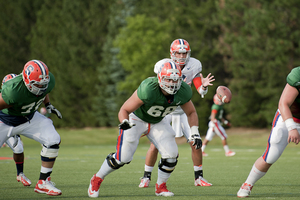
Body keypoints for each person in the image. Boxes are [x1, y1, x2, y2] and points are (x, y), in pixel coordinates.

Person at [88, 61, 202, 197]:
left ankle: (160, 187)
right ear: (160, 78)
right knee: (122, 158)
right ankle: (97, 178)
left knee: (171, 155)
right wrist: (124, 121)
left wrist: (194, 133)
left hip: (158, 121)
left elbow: (191, 113)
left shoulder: (183, 91)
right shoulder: (149, 88)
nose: (172, 83)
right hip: (137, 120)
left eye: (175, 79)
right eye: (169, 79)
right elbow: (124, 109)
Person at [139, 38, 214, 188]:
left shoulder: (194, 65)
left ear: (189, 53)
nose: (181, 56)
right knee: (154, 145)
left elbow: (200, 90)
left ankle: (198, 178)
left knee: (196, 142)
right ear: (172, 53)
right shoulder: (163, 65)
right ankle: (146, 176)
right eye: (178, 53)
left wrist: (204, 87)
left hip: (183, 110)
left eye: (184, 53)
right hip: (166, 109)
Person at [0, 60, 63, 196]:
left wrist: (48, 105)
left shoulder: (48, 80)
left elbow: (43, 91)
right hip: (5, 121)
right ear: (26, 80)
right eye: (37, 84)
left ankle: (43, 182)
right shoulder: (13, 90)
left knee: (53, 139)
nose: (40, 87)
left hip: (29, 118)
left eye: (43, 84)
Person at [237, 66, 300, 198]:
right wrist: (291, 127)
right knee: (271, 155)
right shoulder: (297, 75)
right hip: (289, 118)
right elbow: (283, 103)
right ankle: (247, 184)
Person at [1, 74, 31, 186]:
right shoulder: (4, 95)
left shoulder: (18, 95)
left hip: (10, 126)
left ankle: (20, 174)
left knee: (18, 148)